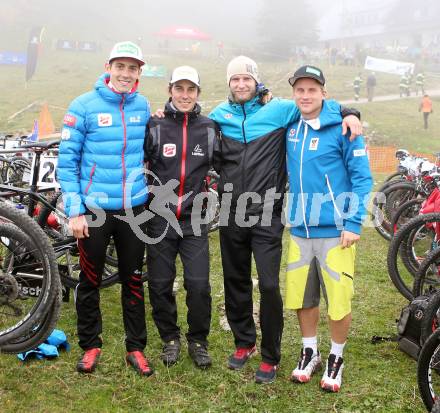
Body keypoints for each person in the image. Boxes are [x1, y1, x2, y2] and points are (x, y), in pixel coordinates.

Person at [209, 56, 362, 384]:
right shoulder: (218, 116)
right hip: (231, 212)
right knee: (235, 281)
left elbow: (316, 103)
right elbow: (193, 126)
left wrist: (350, 112)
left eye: (246, 79)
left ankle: (270, 354)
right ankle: (244, 342)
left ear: (256, 82)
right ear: (229, 84)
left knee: (268, 285)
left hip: (268, 214)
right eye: (234, 79)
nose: (240, 84)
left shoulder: (281, 110)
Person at [57, 41, 153, 376]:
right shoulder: (82, 105)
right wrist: (75, 210)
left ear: (140, 72)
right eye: (120, 66)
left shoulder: (143, 105)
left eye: (133, 68)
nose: (126, 73)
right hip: (94, 211)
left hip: (134, 208)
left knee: (134, 278)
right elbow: (66, 163)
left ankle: (136, 347)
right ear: (108, 66)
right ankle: (90, 344)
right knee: (90, 278)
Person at [284, 65, 372, 392]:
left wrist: (352, 222)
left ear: (324, 92)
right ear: (294, 93)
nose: (305, 96)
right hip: (299, 231)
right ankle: (310, 351)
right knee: (302, 298)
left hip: (336, 232)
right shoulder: (290, 125)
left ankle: (337, 355)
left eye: (312, 89)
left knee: (338, 299)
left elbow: (363, 179)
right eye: (300, 90)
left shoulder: (345, 128)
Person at [144, 66, 217, 369]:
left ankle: (198, 341)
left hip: (194, 221)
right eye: (179, 89)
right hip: (159, 219)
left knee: (199, 285)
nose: (185, 95)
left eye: (191, 89)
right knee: (160, 284)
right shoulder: (155, 125)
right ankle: (169, 338)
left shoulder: (210, 128)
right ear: (170, 90)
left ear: (198, 93)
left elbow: (221, 167)